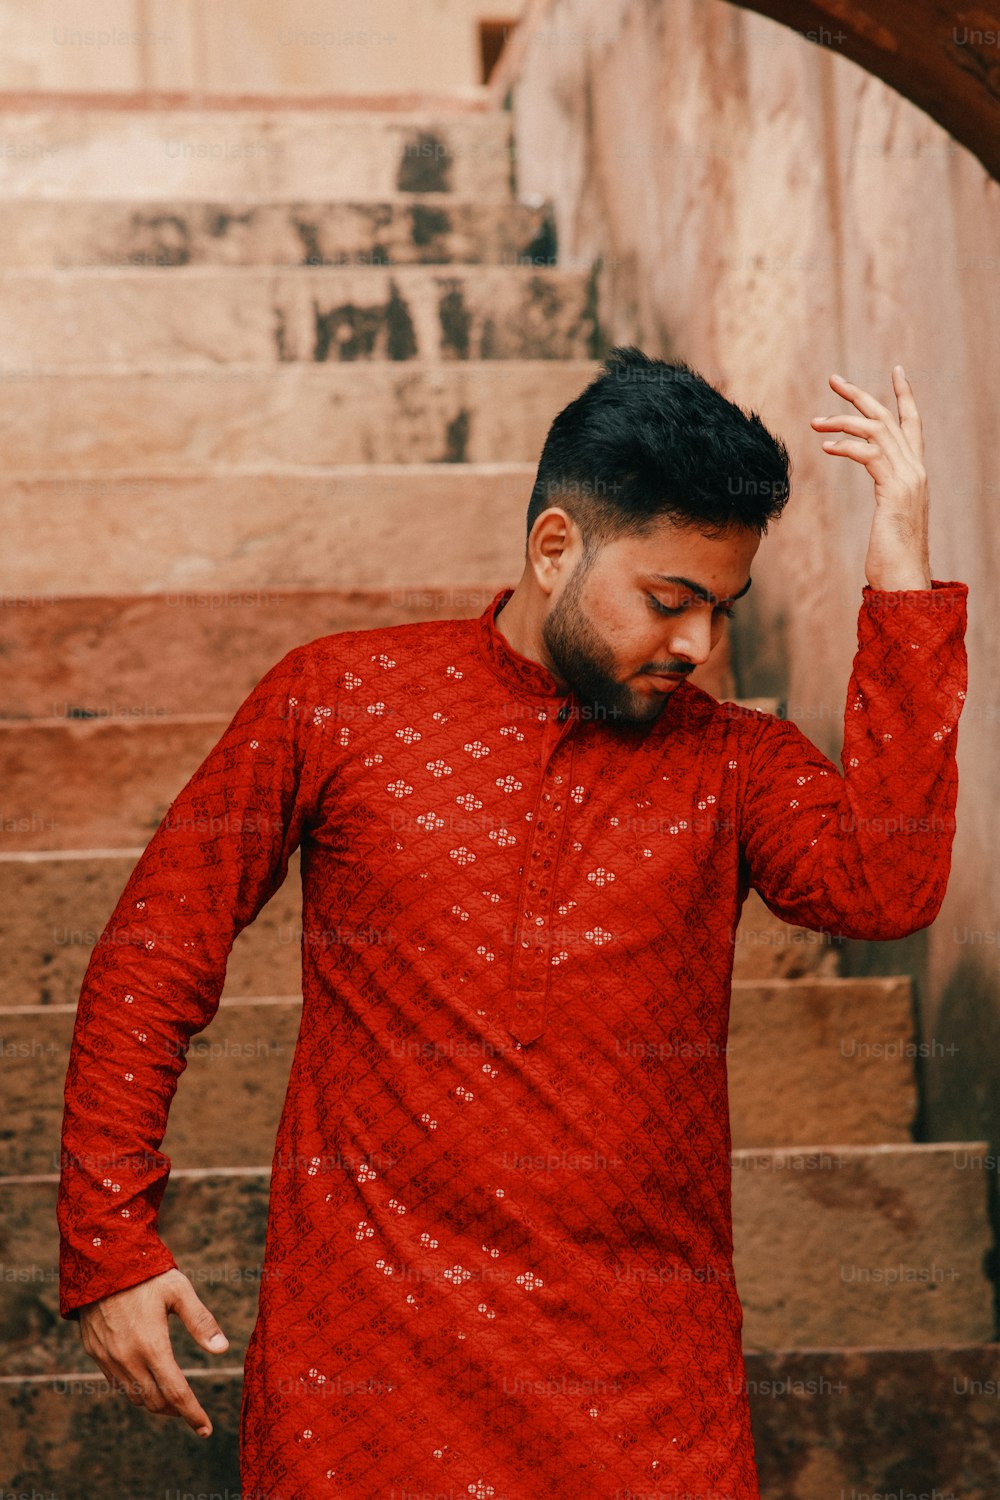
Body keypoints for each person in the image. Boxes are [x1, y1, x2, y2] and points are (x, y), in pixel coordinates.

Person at [58, 346, 967, 1497]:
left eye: (720, 610)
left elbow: (880, 889)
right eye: (667, 601)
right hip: (366, 1376)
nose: (698, 647)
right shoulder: (339, 699)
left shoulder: (731, 764)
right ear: (554, 548)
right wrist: (107, 1243)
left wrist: (900, 582)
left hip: (645, 1391)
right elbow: (158, 946)